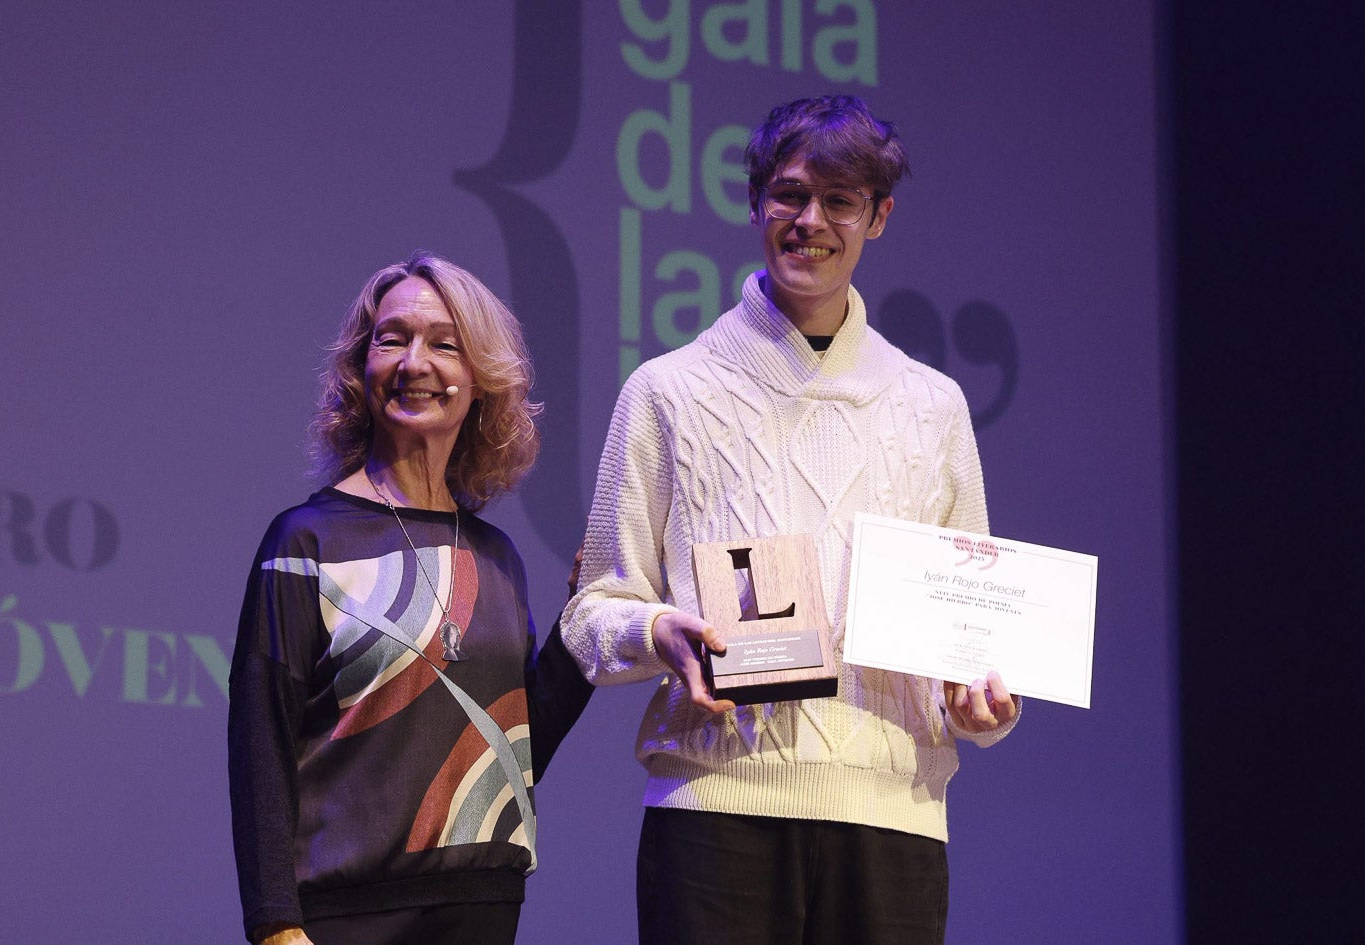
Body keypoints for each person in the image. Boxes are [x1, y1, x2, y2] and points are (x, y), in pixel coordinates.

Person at [561, 95, 1020, 945]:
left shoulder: (934, 406)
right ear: (755, 202)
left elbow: (970, 634)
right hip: (714, 814)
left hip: (894, 820)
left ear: (877, 218)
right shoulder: (666, 392)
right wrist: (660, 627)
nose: (809, 221)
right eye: (789, 194)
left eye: (839, 201)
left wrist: (977, 701)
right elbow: (590, 613)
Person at [228, 250, 590, 945]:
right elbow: (259, 743)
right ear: (361, 370)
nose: (414, 361)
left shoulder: (495, 557)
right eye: (391, 339)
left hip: (481, 904)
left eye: (443, 343)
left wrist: (583, 625)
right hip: (343, 913)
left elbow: (507, 749)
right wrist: (274, 923)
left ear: (480, 380)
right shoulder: (305, 543)